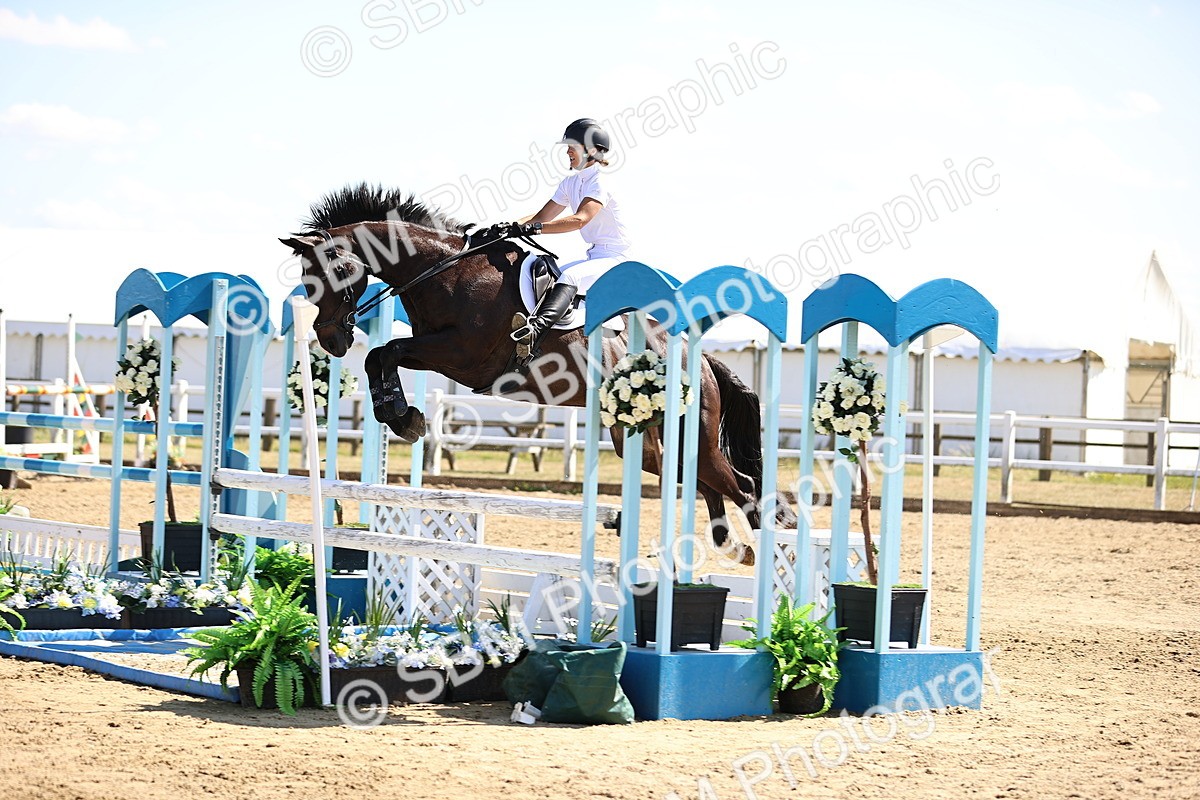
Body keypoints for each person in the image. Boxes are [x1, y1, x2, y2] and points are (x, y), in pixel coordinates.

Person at [503, 117, 631, 365]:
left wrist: (535, 229)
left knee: (570, 277)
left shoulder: (600, 181)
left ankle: (533, 333)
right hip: (595, 255)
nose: (568, 152)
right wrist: (510, 226)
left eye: (572, 146)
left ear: (590, 150)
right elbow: (541, 217)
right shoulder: (571, 182)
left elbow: (580, 219)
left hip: (617, 260)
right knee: (554, 275)